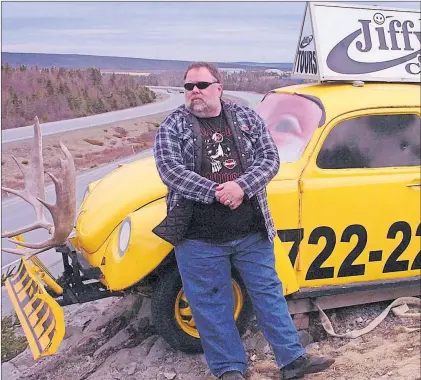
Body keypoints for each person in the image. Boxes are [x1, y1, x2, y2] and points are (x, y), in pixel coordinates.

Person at [153, 62, 335, 380]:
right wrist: (217, 192)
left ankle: (292, 360)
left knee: (269, 292)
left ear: (219, 87)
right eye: (188, 87)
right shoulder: (172, 125)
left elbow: (270, 158)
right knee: (211, 304)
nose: (194, 91)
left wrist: (242, 186)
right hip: (198, 236)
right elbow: (170, 170)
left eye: (202, 85)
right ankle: (229, 369)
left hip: (251, 229)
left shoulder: (245, 116)